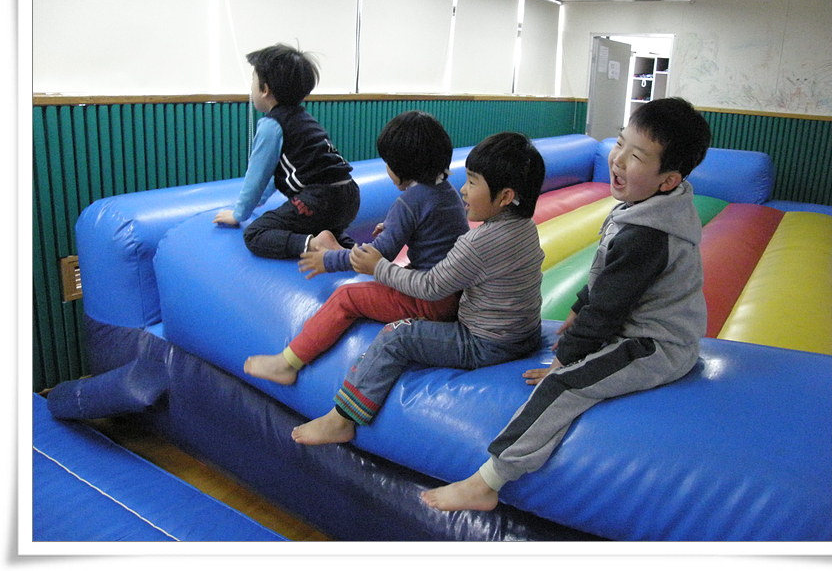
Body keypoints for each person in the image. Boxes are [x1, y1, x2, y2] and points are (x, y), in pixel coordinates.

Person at [420, 97, 712, 512]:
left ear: (668, 180)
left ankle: (489, 480)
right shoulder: (649, 208)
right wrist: (579, 305)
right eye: (620, 143)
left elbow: (609, 309)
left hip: (655, 345)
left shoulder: (649, 234)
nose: (618, 159)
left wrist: (565, 360)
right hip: (635, 327)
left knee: (563, 386)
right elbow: (609, 275)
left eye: (636, 156)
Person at [291, 132, 547, 446]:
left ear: (505, 196)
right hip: (525, 334)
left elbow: (430, 287)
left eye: (472, 182)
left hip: (485, 344)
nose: (463, 190)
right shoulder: (525, 227)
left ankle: (342, 419)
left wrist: (379, 268)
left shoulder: (479, 242)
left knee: (396, 336)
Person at [243, 110, 470, 386]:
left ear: (400, 168)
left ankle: (288, 363)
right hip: (451, 293)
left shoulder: (410, 202)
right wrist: (395, 226)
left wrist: (328, 260)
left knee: (345, 297)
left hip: (430, 303)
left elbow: (379, 255)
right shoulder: (447, 192)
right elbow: (437, 231)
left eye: (387, 163)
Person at [214, 43, 360, 259]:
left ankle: (314, 245)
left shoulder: (272, 125)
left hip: (318, 200)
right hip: (349, 196)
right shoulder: (305, 119)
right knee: (323, 226)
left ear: (265, 89)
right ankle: (356, 253)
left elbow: (257, 177)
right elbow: (276, 175)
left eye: (253, 80)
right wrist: (260, 202)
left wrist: (239, 214)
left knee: (255, 233)